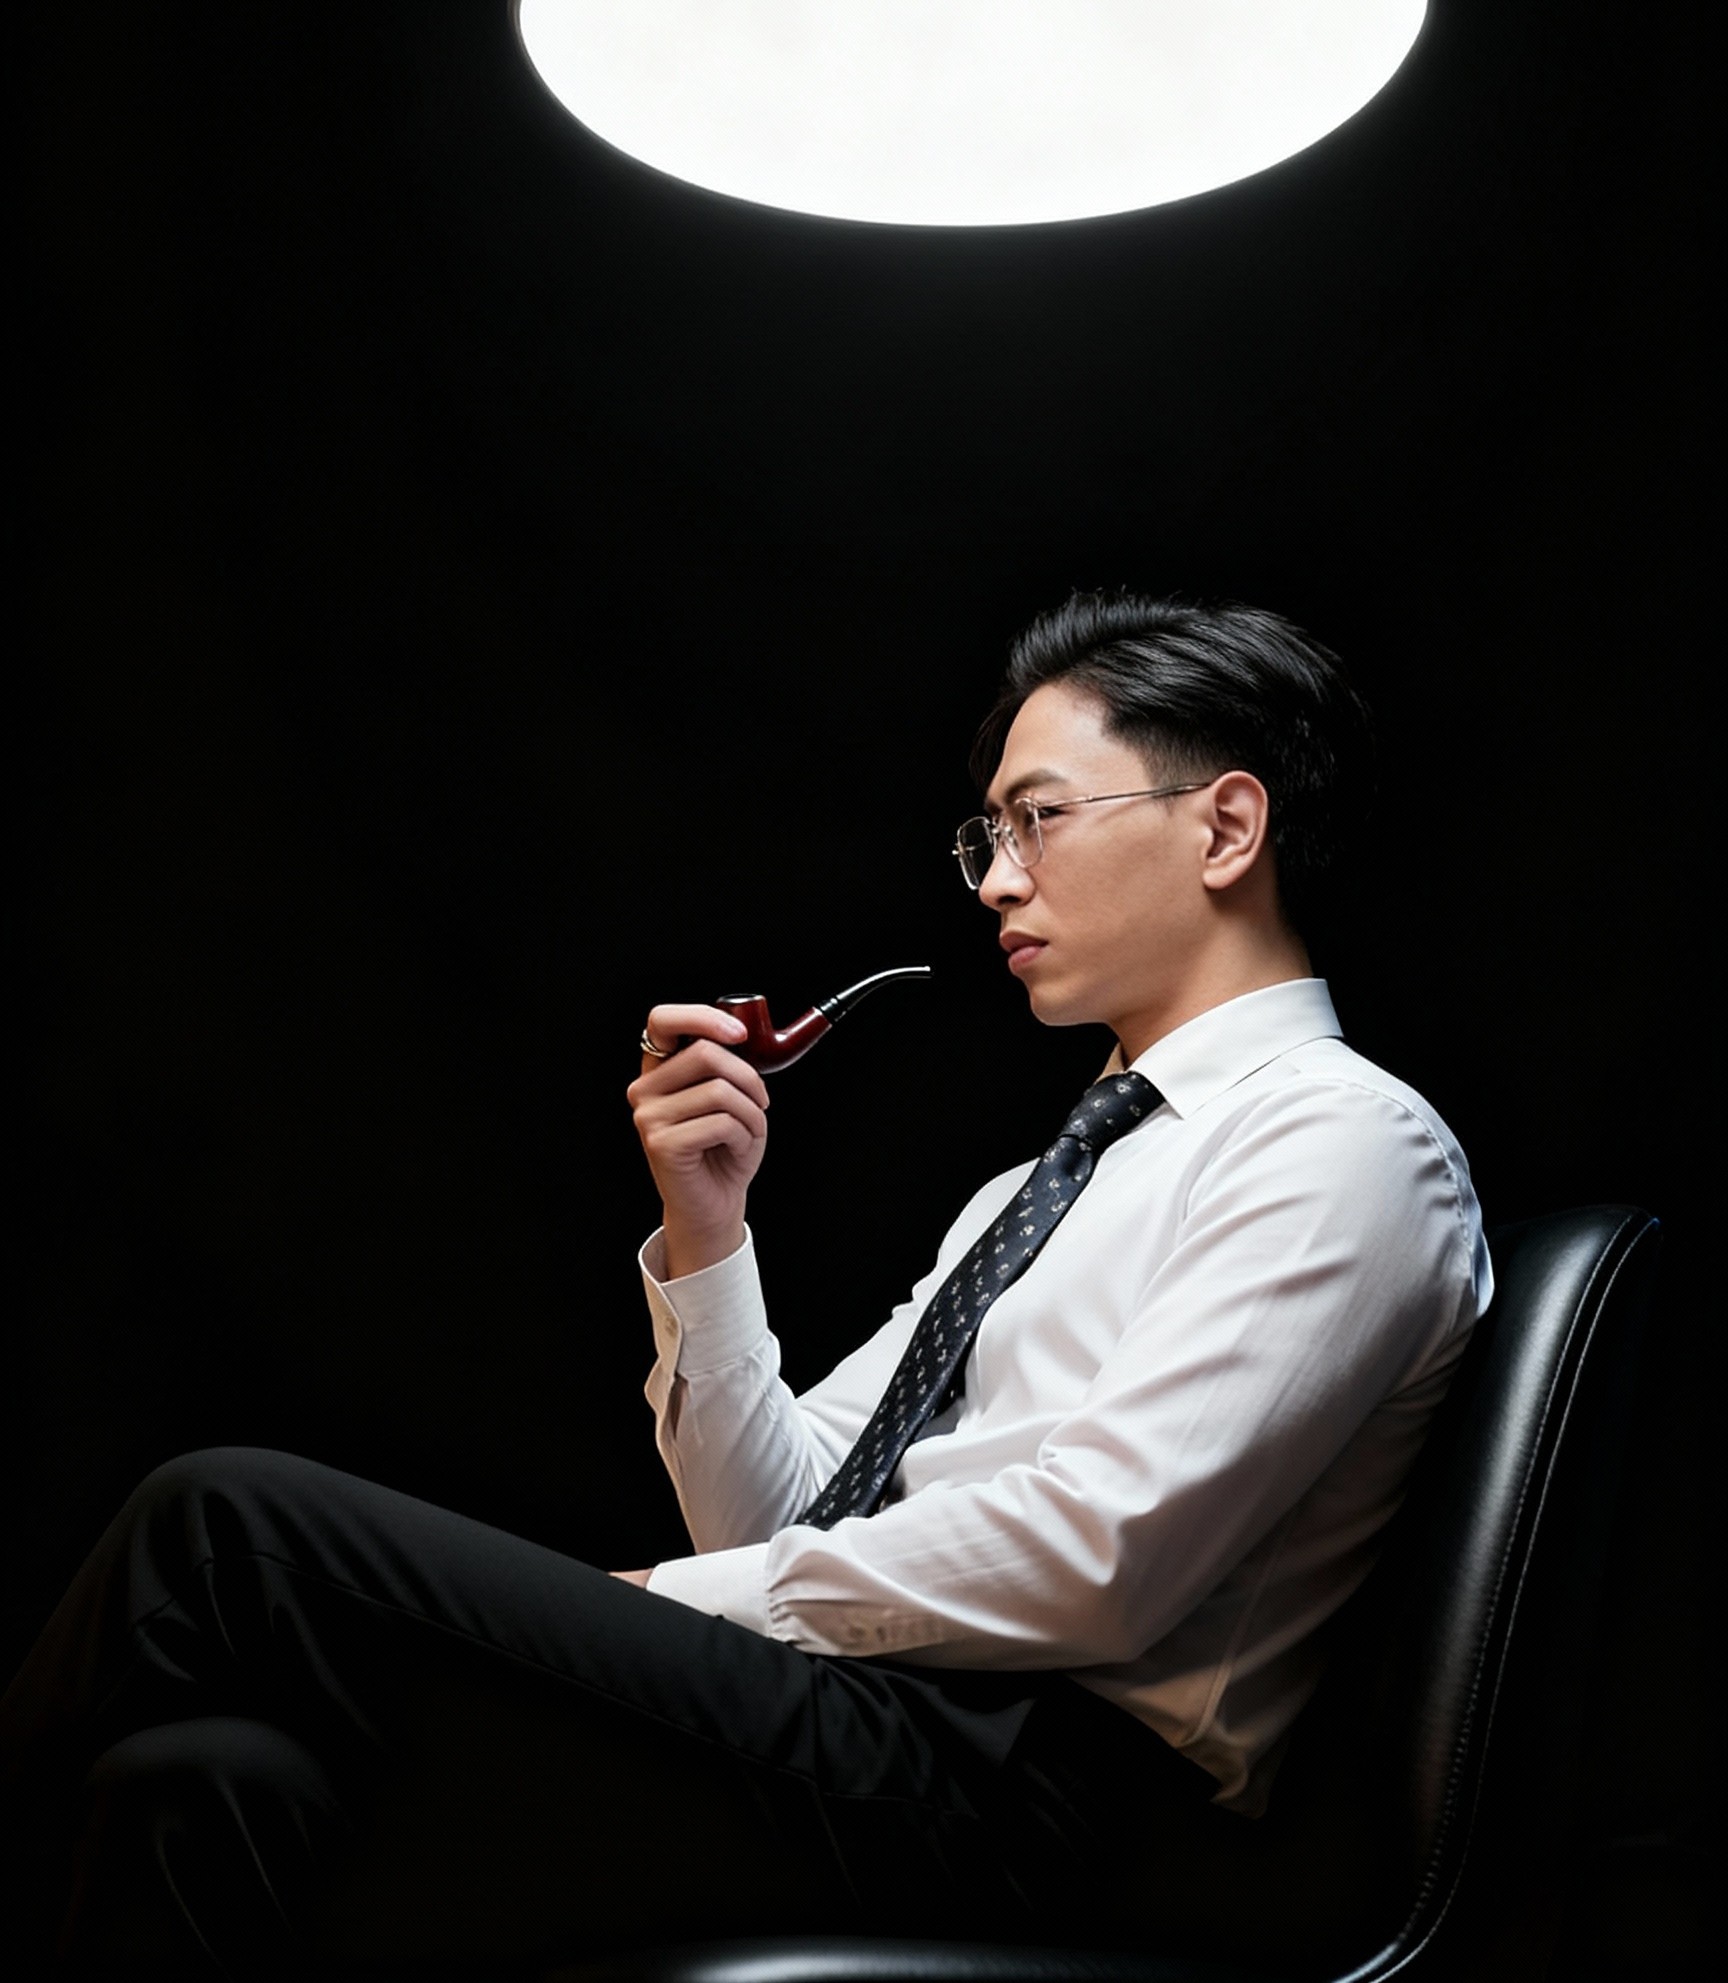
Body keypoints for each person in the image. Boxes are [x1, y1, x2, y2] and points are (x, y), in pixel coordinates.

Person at [0, 591, 1489, 1972]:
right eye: (985, 838)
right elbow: (779, 1520)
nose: (998, 881)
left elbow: (1100, 1558)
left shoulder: (1341, 1141)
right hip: (889, 1731)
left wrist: (672, 1602)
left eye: (1038, 820)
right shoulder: (1044, 1186)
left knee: (226, 1525)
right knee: (195, 1781)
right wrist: (707, 1233)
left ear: (1227, 826)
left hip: (1051, 1800)